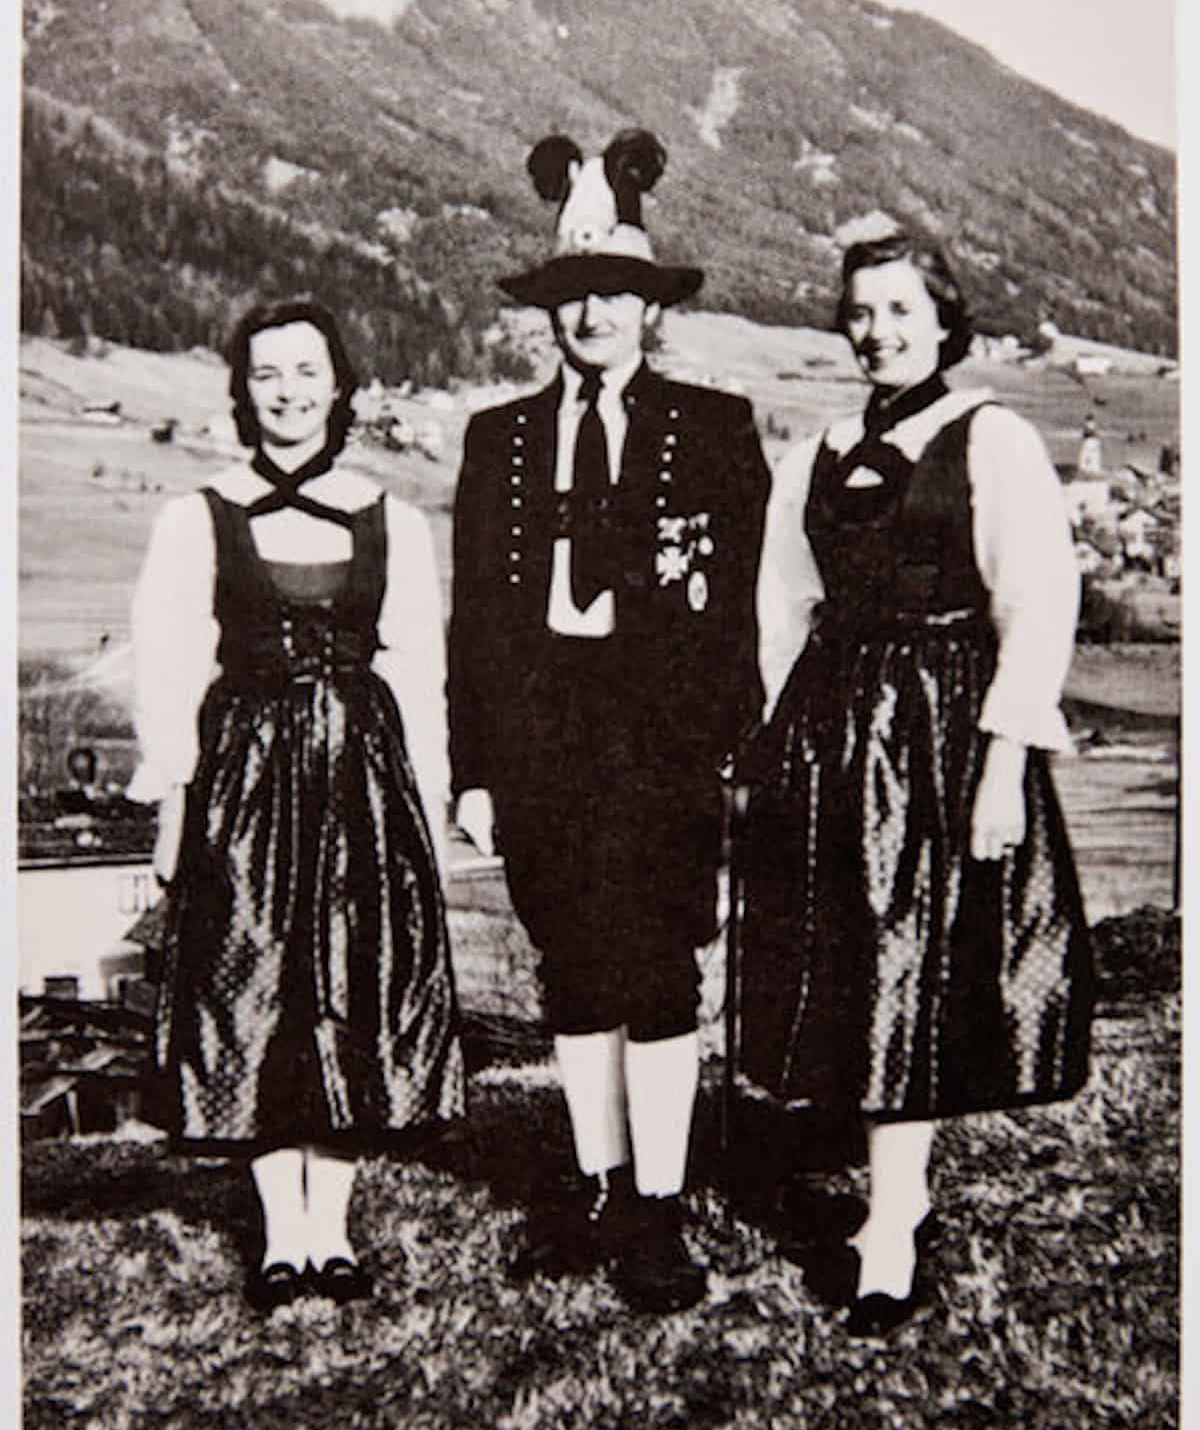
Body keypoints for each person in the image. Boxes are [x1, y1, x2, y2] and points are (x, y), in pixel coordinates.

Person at [737, 223, 1094, 1336]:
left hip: (941, 733)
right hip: (836, 731)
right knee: (853, 956)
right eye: (861, 312)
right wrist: (786, 741)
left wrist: (1003, 766)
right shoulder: (816, 453)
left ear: (944, 320)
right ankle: (901, 1198)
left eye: (901, 310)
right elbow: (782, 607)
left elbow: (1035, 603)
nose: (878, 331)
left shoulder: (991, 440)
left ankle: (889, 1223)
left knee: (908, 960)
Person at [448, 129, 769, 1313]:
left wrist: (730, 745)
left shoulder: (716, 429)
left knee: (660, 967)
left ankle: (661, 1208)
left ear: (650, 307)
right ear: (550, 310)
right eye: (574, 295)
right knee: (574, 966)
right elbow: (474, 622)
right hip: (542, 736)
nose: (593, 316)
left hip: (663, 740)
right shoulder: (499, 440)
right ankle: (598, 1186)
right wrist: (475, 768)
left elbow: (739, 609)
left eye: (616, 294)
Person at [127, 298, 464, 1311]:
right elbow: (171, 667)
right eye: (267, 373)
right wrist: (172, 808)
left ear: (340, 385)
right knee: (257, 990)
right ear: (243, 389)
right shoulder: (199, 518)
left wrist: (428, 802)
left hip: (361, 780)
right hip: (246, 785)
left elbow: (419, 673)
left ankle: (334, 1228)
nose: (288, 392)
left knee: (348, 986)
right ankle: (284, 1234)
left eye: (307, 371)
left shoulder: (392, 518)